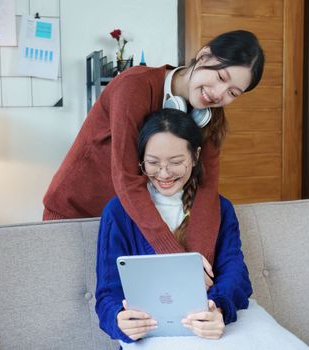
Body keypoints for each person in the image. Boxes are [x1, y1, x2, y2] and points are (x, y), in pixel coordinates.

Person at [43, 30, 264, 264]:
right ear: (204, 56)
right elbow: (126, 178)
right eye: (221, 77)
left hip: (128, 224)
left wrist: (198, 264)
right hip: (75, 214)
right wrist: (176, 258)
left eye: (232, 93)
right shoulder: (133, 86)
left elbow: (206, 190)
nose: (219, 94)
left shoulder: (210, 118)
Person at [95, 109, 251, 346]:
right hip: (149, 334)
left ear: (195, 157)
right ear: (140, 161)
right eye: (153, 163)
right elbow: (107, 293)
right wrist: (119, 318)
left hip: (207, 331)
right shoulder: (118, 212)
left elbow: (236, 274)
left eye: (176, 162)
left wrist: (217, 308)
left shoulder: (220, 208)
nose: (164, 173)